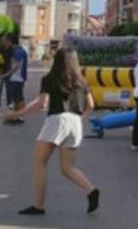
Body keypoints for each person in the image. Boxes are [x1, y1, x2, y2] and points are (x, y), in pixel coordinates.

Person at [5, 48, 99, 215]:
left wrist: (16, 114)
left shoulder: (50, 79)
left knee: (39, 163)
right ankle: (91, 190)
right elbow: (91, 105)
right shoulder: (82, 81)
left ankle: (39, 205)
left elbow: (42, 104)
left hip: (57, 121)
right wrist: (79, 118)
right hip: (76, 123)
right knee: (67, 168)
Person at [2, 34, 29, 125]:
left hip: (17, 78)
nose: (4, 42)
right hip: (18, 78)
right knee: (17, 98)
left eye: (5, 40)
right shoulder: (20, 50)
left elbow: (16, 65)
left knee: (18, 98)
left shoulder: (18, 51)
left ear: (10, 41)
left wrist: (7, 74)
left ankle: (19, 116)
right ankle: (16, 116)